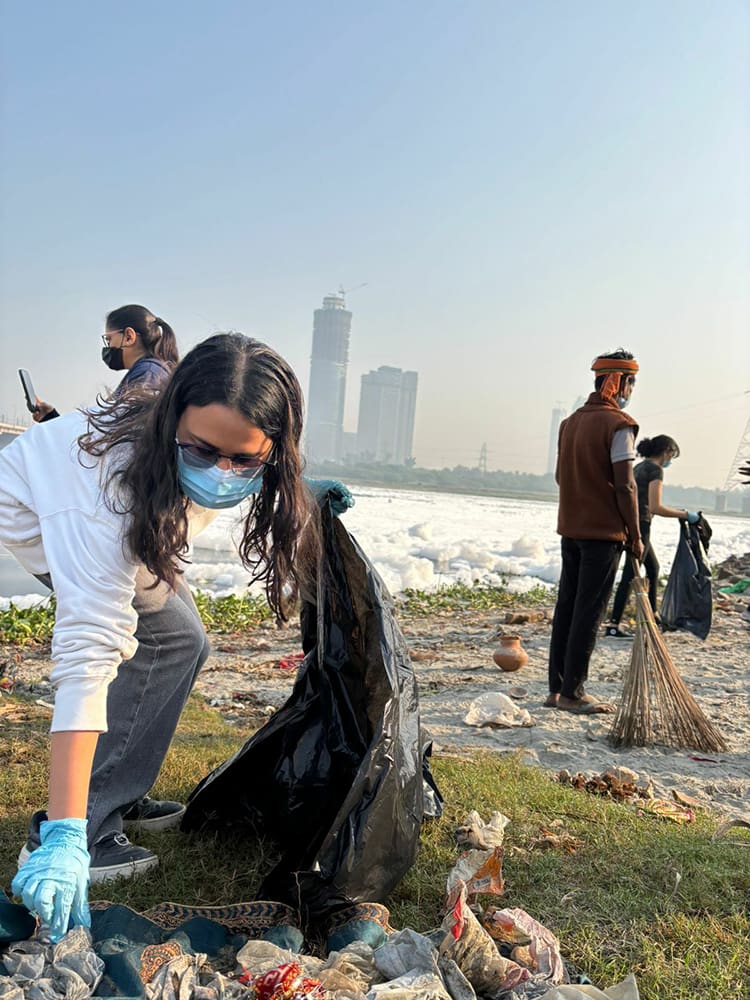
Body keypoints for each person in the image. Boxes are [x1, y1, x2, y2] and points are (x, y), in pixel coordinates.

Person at [0, 333, 352, 942]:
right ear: (173, 423)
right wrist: (61, 836)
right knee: (160, 642)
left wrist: (300, 492)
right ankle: (77, 824)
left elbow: (233, 460)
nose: (222, 472)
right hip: (40, 515)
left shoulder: (219, 447)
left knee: (185, 641)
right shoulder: (101, 499)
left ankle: (119, 788)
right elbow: (86, 653)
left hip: (142, 516)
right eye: (204, 450)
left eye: (245, 460)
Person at [546, 349, 644, 716]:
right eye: (631, 382)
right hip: (604, 535)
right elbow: (626, 487)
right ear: (621, 382)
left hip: (570, 529)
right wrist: (635, 535)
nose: (632, 390)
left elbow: (560, 477)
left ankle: (557, 689)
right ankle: (573, 691)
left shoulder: (570, 423)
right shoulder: (619, 425)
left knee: (568, 607)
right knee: (589, 611)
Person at [605, 435, 699, 637]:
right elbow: (655, 506)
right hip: (642, 526)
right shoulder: (656, 470)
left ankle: (653, 616)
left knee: (653, 568)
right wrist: (684, 515)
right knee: (630, 575)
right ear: (666, 452)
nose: (670, 460)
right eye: (672, 455)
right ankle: (613, 624)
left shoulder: (639, 467)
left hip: (631, 523)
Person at [33, 304, 179, 421]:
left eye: (109, 339)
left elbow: (113, 434)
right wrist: (51, 418)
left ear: (129, 337)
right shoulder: (150, 372)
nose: (107, 347)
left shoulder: (149, 375)